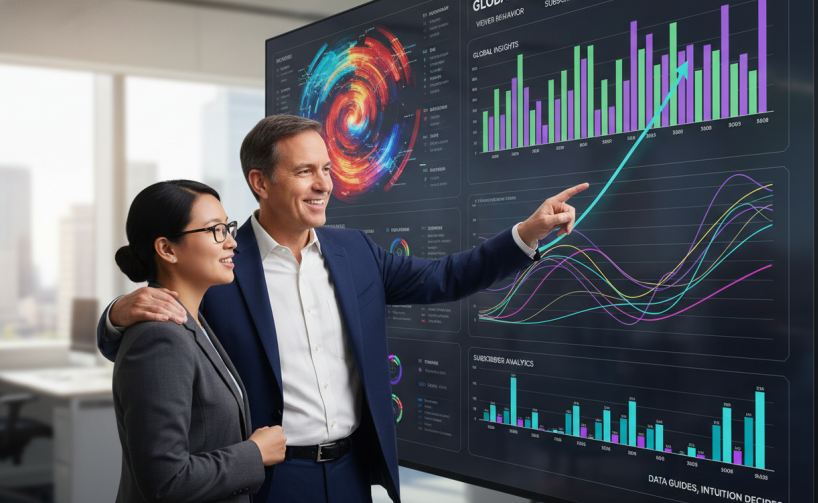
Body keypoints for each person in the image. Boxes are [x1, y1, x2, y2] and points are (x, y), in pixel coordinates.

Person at [97, 115, 589, 503]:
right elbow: (164, 342)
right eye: (305, 171)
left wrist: (526, 234)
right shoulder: (219, 263)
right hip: (265, 478)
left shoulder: (355, 252)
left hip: (352, 472)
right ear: (260, 182)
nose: (324, 184)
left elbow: (444, 278)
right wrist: (116, 314)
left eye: (327, 169)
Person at [110, 180, 287, 503]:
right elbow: (165, 482)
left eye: (228, 227)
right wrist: (255, 453)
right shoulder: (160, 337)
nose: (231, 242)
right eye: (215, 230)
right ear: (166, 249)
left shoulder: (194, 322)